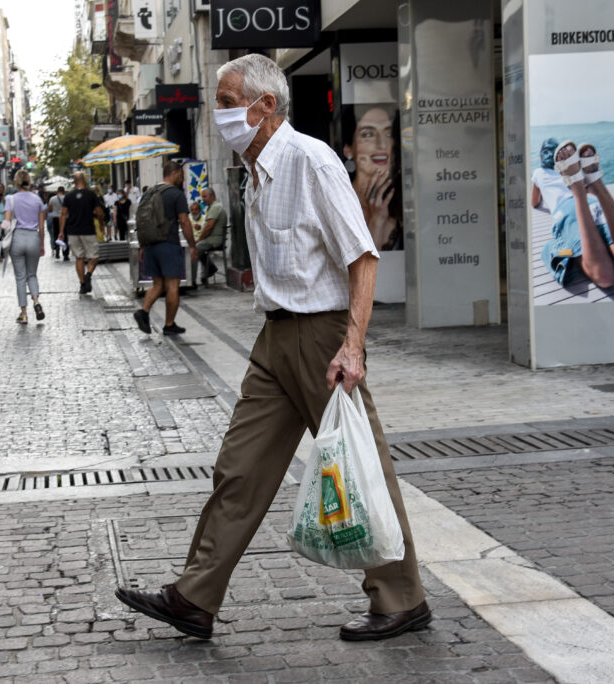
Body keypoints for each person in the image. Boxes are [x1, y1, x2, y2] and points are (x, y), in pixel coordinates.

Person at [116, 53, 428, 642]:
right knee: (239, 469)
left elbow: (363, 257)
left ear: (266, 106)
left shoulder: (309, 161)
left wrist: (353, 347)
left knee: (362, 467)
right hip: (273, 337)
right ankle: (195, 596)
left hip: (321, 336)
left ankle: (402, 598)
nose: (221, 115)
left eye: (229, 103)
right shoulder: (252, 168)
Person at [532, 139, 614, 289]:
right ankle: (595, 183)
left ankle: (577, 188)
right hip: (592, 204)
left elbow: (534, 202)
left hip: (565, 211)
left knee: (604, 276)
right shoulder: (561, 170)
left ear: (541, 157)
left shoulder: (538, 173)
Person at [131, 161, 197, 336]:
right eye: (181, 176)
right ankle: (169, 324)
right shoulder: (176, 194)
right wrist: (192, 245)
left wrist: (143, 246)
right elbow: (184, 221)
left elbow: (142, 221)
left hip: (150, 244)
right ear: (174, 174)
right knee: (173, 285)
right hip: (168, 244)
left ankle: (143, 312)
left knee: (157, 284)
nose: (181, 179)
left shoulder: (148, 193)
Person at [342, 105, 403, 251]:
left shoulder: (405, 202)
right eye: (368, 134)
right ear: (348, 149)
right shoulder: (340, 204)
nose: (381, 144)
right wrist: (377, 221)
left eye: (388, 134)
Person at [5, 169, 47, 324]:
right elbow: (42, 228)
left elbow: (6, 222)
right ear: (29, 181)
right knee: (32, 275)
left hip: (17, 238)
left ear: (16, 182)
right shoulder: (37, 200)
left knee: (20, 278)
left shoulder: (11, 199)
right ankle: (36, 302)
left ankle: (23, 313)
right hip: (34, 238)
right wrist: (41, 245)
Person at [58, 172, 105, 294]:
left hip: (73, 231)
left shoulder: (68, 196)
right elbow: (99, 212)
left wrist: (61, 231)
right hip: (88, 230)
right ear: (84, 179)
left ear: (74, 181)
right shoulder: (91, 195)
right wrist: (101, 224)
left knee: (79, 257)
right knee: (94, 256)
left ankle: (82, 284)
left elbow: (63, 214)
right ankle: (88, 274)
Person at [194, 187, 227, 286]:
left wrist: (199, 239)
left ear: (212, 196)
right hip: (211, 239)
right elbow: (207, 226)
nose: (203, 199)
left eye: (205, 196)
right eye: (202, 197)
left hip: (214, 240)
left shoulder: (216, 207)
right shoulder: (212, 207)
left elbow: (209, 227)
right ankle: (210, 269)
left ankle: (194, 279)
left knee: (194, 249)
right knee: (196, 247)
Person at [47, 186, 66, 259]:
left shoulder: (52, 198)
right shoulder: (66, 198)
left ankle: (57, 252)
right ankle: (65, 254)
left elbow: (49, 210)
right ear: (63, 191)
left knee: (56, 235)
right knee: (65, 235)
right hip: (65, 218)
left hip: (55, 218)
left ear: (57, 191)